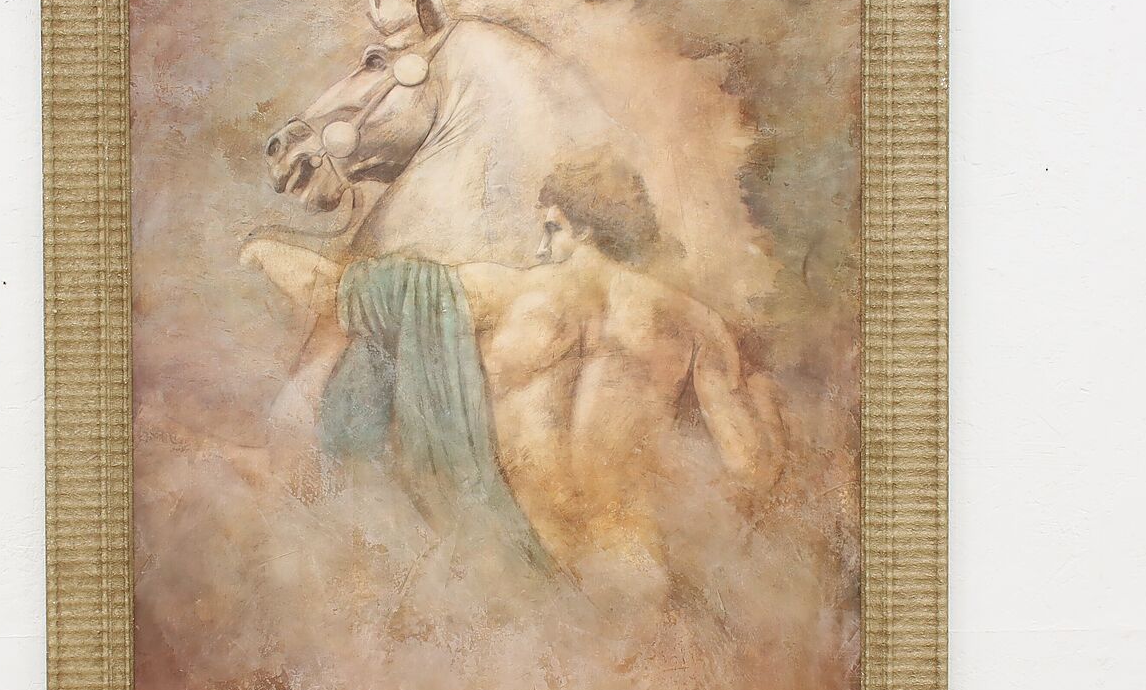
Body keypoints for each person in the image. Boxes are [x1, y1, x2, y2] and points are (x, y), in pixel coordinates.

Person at [241, 172, 783, 579]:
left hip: (515, 567)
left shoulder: (503, 294)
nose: (540, 248)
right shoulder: (696, 325)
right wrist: (761, 396)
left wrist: (261, 249)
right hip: (632, 568)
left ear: (572, 226)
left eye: (549, 229)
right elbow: (752, 468)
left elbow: (336, 293)